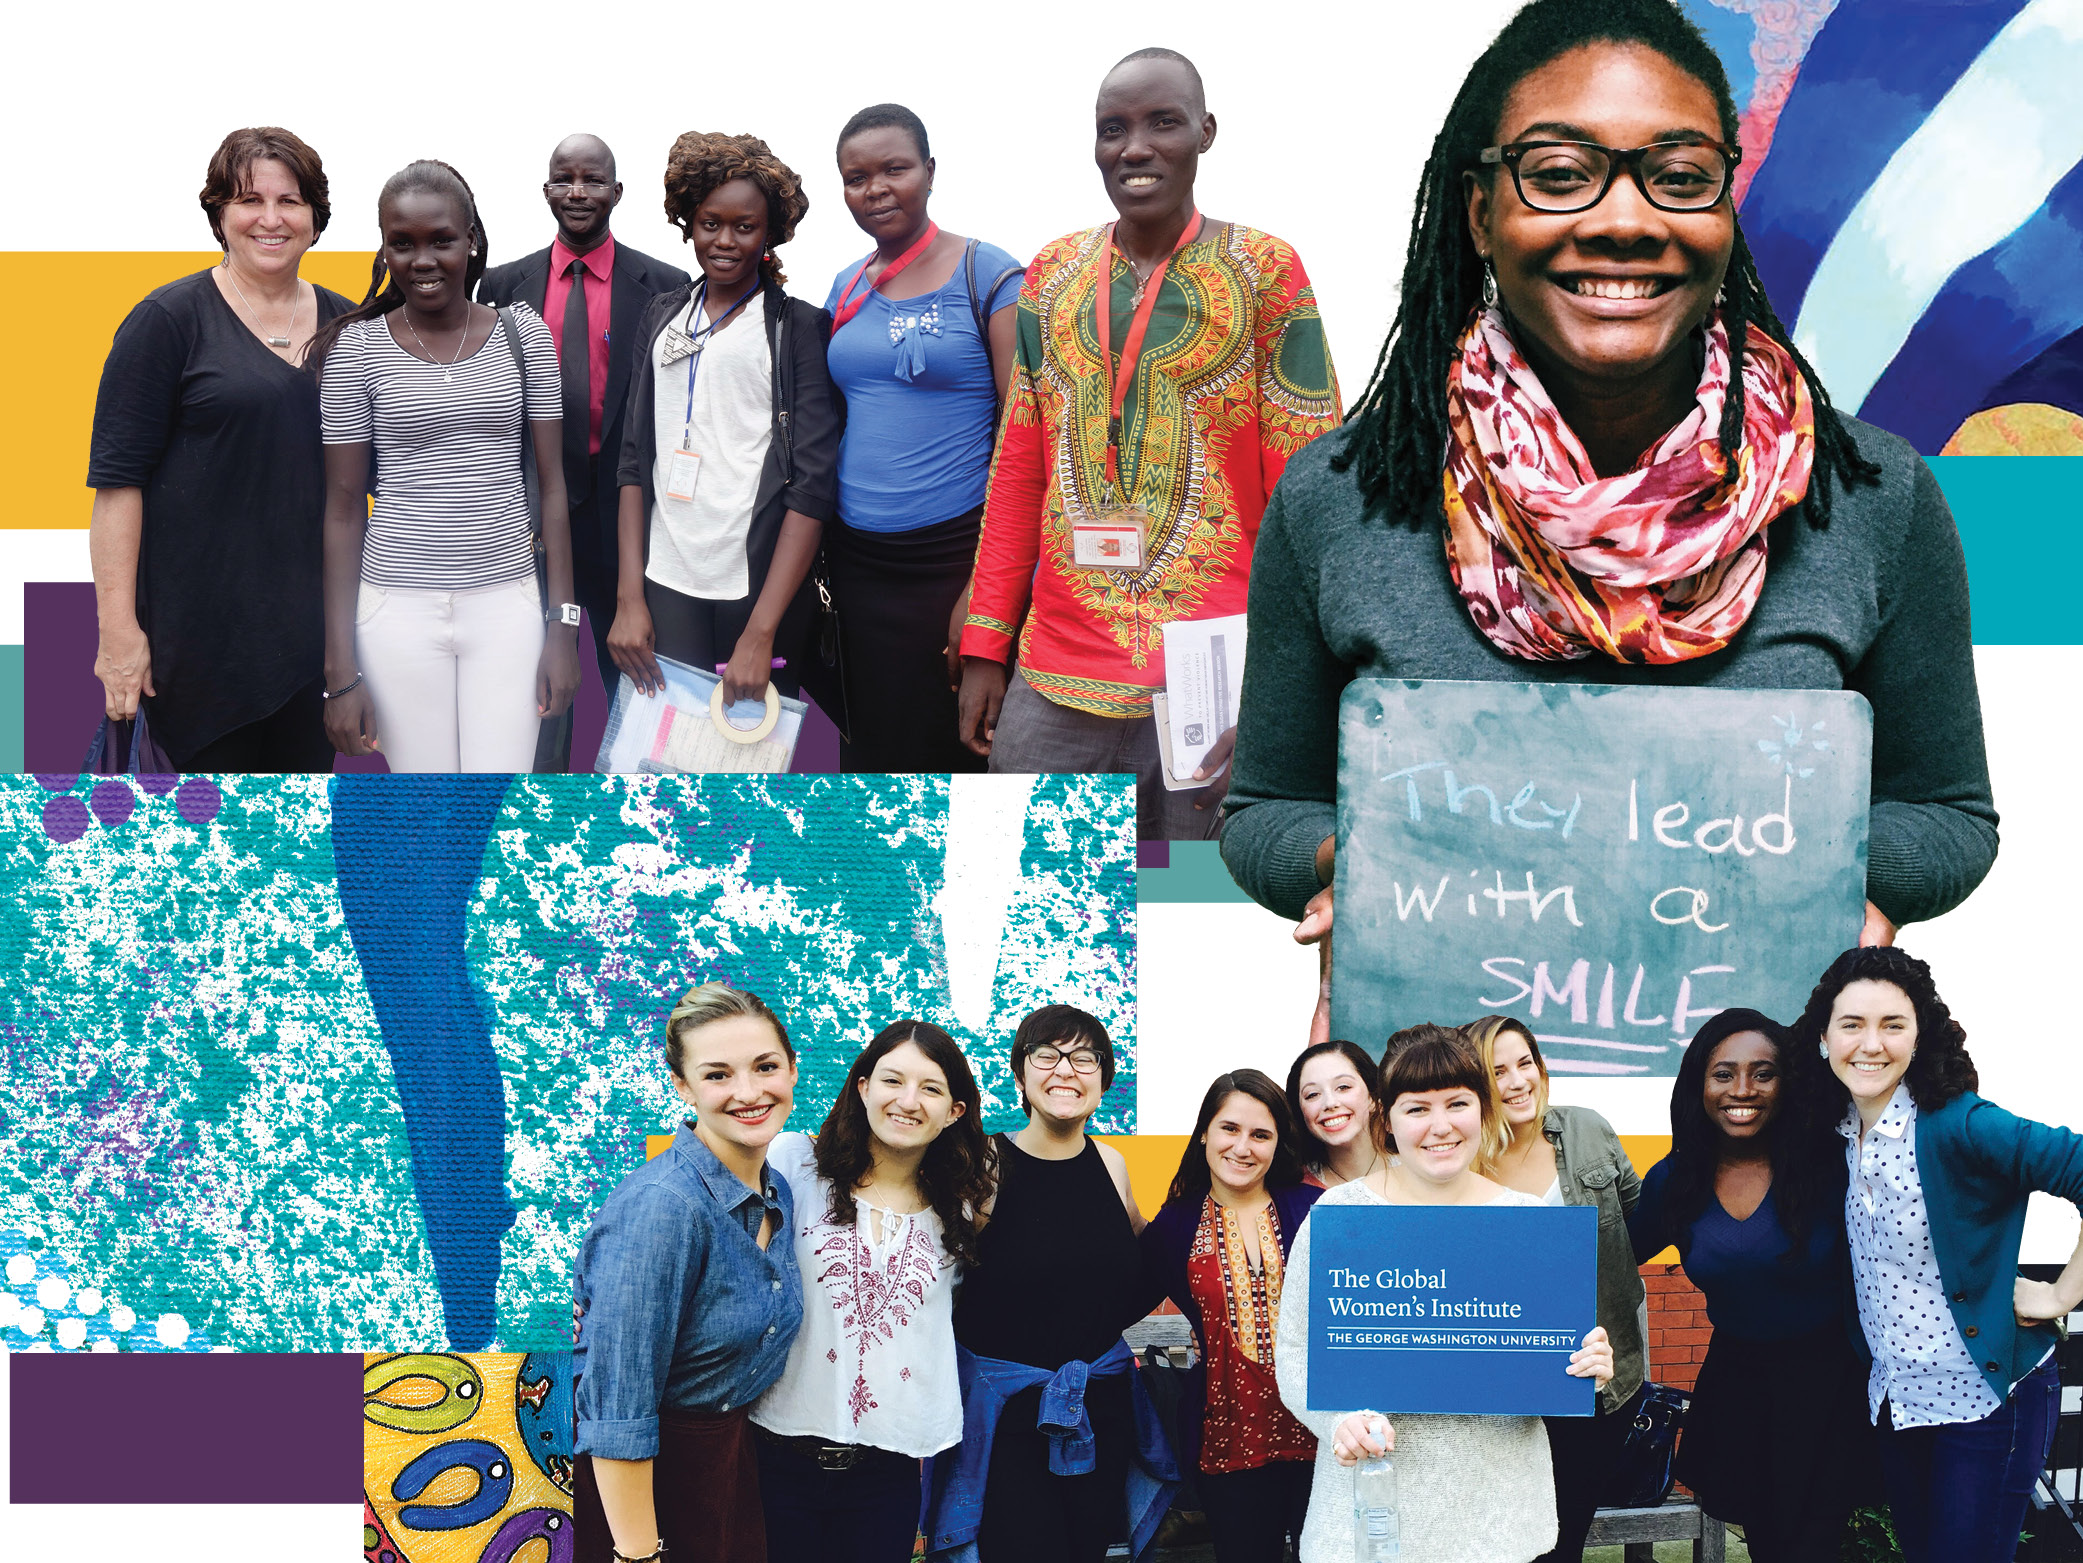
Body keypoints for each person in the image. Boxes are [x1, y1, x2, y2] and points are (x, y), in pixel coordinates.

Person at [1219, 0, 1998, 1028]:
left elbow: (1947, 816)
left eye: (1678, 177)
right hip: (1441, 1117)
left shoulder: (1870, 496)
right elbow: (1262, 810)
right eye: (1556, 174)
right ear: (1477, 211)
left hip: (1761, 1111)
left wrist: (1834, 879)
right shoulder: (1338, 498)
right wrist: (1366, 859)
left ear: (1726, 209)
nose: (1624, 220)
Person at [956, 47, 1341, 840]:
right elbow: (1019, 471)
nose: (1133, 146)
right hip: (1054, 677)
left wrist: (1288, 699)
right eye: (1112, 129)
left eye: (1161, 122)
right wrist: (986, 646)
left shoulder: (1267, 271)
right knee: (1044, 911)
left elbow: (1311, 497)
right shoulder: (1052, 274)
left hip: (1217, 686)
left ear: (1204, 132)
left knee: (1198, 923)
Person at [1792, 946, 2083, 1563]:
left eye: (1892, 1025)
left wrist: (2062, 1292)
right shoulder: (1840, 1129)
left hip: (1986, 1401)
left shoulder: (1962, 1125)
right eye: (1852, 1024)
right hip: (1900, 1400)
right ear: (1823, 1039)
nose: (1871, 1044)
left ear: (1920, 1038)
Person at [1274, 1031, 1613, 1562]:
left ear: (1483, 1110)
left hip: (1498, 1520)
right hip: (1370, 1516)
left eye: (1458, 1103)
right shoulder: (1342, 1217)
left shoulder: (1530, 1223)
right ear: (1386, 1119)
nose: (1440, 1126)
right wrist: (1338, 1421)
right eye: (1417, 1108)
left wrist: (1587, 1363)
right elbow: (1295, 1351)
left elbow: (1552, 1355)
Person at [88, 127, 354, 771]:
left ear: (315, 218)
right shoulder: (168, 321)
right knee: (216, 854)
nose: (271, 219)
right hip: (201, 649)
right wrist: (118, 635)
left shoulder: (350, 328)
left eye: (290, 201)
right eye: (248, 201)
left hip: (313, 649)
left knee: (297, 843)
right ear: (219, 215)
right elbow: (118, 486)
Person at [312, 159, 581, 772]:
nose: (423, 259)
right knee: (425, 808)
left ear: (472, 241)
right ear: (384, 251)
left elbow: (555, 488)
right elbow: (344, 508)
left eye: (442, 240)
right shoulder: (355, 350)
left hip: (506, 606)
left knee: (498, 803)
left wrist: (563, 627)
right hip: (395, 611)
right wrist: (338, 670)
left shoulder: (524, 334)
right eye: (402, 244)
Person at [925, 1005, 1177, 1563]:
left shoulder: (1111, 1164)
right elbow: (938, 1284)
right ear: (1020, 1076)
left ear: (1104, 1080)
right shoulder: (983, 1163)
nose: (1066, 1069)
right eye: (1047, 1055)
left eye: (1085, 1058)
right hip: (1006, 1422)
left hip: (1100, 1411)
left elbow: (1145, 1263)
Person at [1628, 1008, 1875, 1561]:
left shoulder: (1833, 1162)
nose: (1743, 1089)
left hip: (1832, 1389)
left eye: (1764, 1073)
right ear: (1699, 1083)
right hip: (1741, 1387)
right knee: (1767, 1545)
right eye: (1723, 1074)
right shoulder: (1677, 1179)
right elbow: (1612, 1260)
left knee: (1814, 1547)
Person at [608, 132, 840, 719]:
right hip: (664, 579)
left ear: (770, 233)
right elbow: (634, 461)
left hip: (754, 586)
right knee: (667, 765)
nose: (726, 241)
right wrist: (629, 595)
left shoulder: (798, 329)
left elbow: (812, 489)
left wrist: (762, 632)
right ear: (688, 221)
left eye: (746, 226)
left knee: (744, 766)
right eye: (711, 223)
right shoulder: (661, 316)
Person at [571, 982, 804, 1563]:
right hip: (648, 1491)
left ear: (793, 1070)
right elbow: (619, 1408)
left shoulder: (775, 1192)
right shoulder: (664, 1207)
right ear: (684, 1086)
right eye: (718, 1074)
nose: (748, 1092)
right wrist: (639, 1555)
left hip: (727, 1472)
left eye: (765, 1066)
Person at [822, 103, 1022, 774]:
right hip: (857, 569)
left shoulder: (988, 275)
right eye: (856, 177)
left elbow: (1028, 436)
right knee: (873, 757)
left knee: (958, 751)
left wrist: (984, 594)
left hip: (953, 562)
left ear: (929, 172)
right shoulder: (845, 289)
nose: (874, 189)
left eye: (894, 169)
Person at [477, 133, 692, 755]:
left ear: (617, 192)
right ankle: (538, 820)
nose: (578, 192)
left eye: (593, 180)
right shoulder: (498, 286)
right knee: (536, 695)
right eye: (563, 179)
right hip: (523, 518)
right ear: (545, 191)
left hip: (625, 521)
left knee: (633, 687)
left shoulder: (664, 284)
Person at [751, 1021, 995, 1563]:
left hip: (889, 1470)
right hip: (776, 1455)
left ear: (955, 1111)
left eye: (931, 1088)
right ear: (863, 1088)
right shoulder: (794, 1165)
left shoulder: (956, 1211)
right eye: (892, 1080)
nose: (908, 1101)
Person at [1464, 1015, 1647, 1563]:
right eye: (1497, 1071)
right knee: (1503, 1543)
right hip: (1505, 1394)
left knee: (1562, 1545)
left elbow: (1636, 1223)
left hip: (1595, 1386)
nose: (1518, 1081)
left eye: (1526, 1063)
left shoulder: (1588, 1129)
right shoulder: (1461, 1157)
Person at [1140, 1070, 1322, 1562]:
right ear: (1204, 1133)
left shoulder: (1315, 1208)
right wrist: (1178, 1348)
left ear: (1278, 1143)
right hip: (1227, 1435)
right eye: (1229, 1129)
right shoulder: (1176, 1222)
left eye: (1260, 1134)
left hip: (1324, 1433)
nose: (1243, 1147)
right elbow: (1120, 1303)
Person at [1285, 1041, 1384, 1188]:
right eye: (1312, 1094)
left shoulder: (1418, 1172)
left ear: (1373, 1097)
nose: (1330, 1103)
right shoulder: (1292, 1192)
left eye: (1343, 1087)